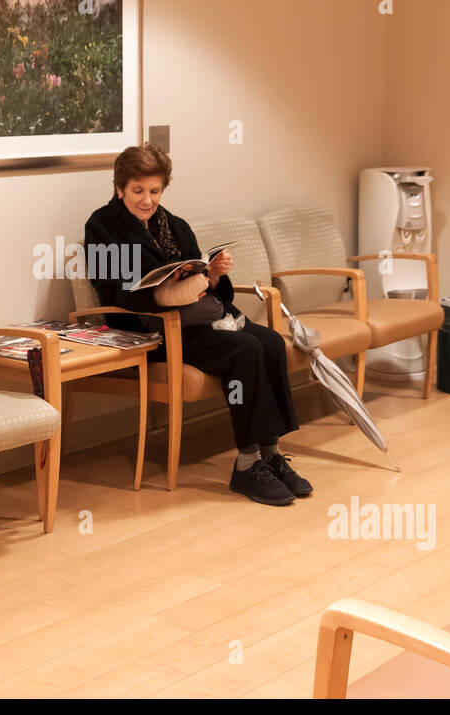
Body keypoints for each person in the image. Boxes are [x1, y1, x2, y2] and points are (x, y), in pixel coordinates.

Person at [84, 143, 310, 505]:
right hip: (152, 329)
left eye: (155, 190)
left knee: (270, 342)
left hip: (200, 320)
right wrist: (167, 291)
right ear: (119, 188)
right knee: (246, 349)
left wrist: (215, 274)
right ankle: (247, 466)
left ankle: (270, 455)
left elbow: (210, 289)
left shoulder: (174, 225)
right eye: (138, 191)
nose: (147, 200)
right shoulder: (101, 226)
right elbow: (113, 292)